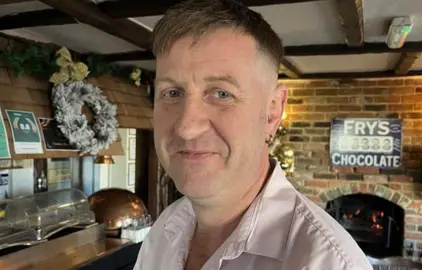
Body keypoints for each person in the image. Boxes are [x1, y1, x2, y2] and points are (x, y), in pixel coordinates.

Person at [134, 0, 372, 269]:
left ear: (271, 113)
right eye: (172, 93)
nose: (186, 127)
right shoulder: (165, 230)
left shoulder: (328, 262)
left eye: (222, 93)